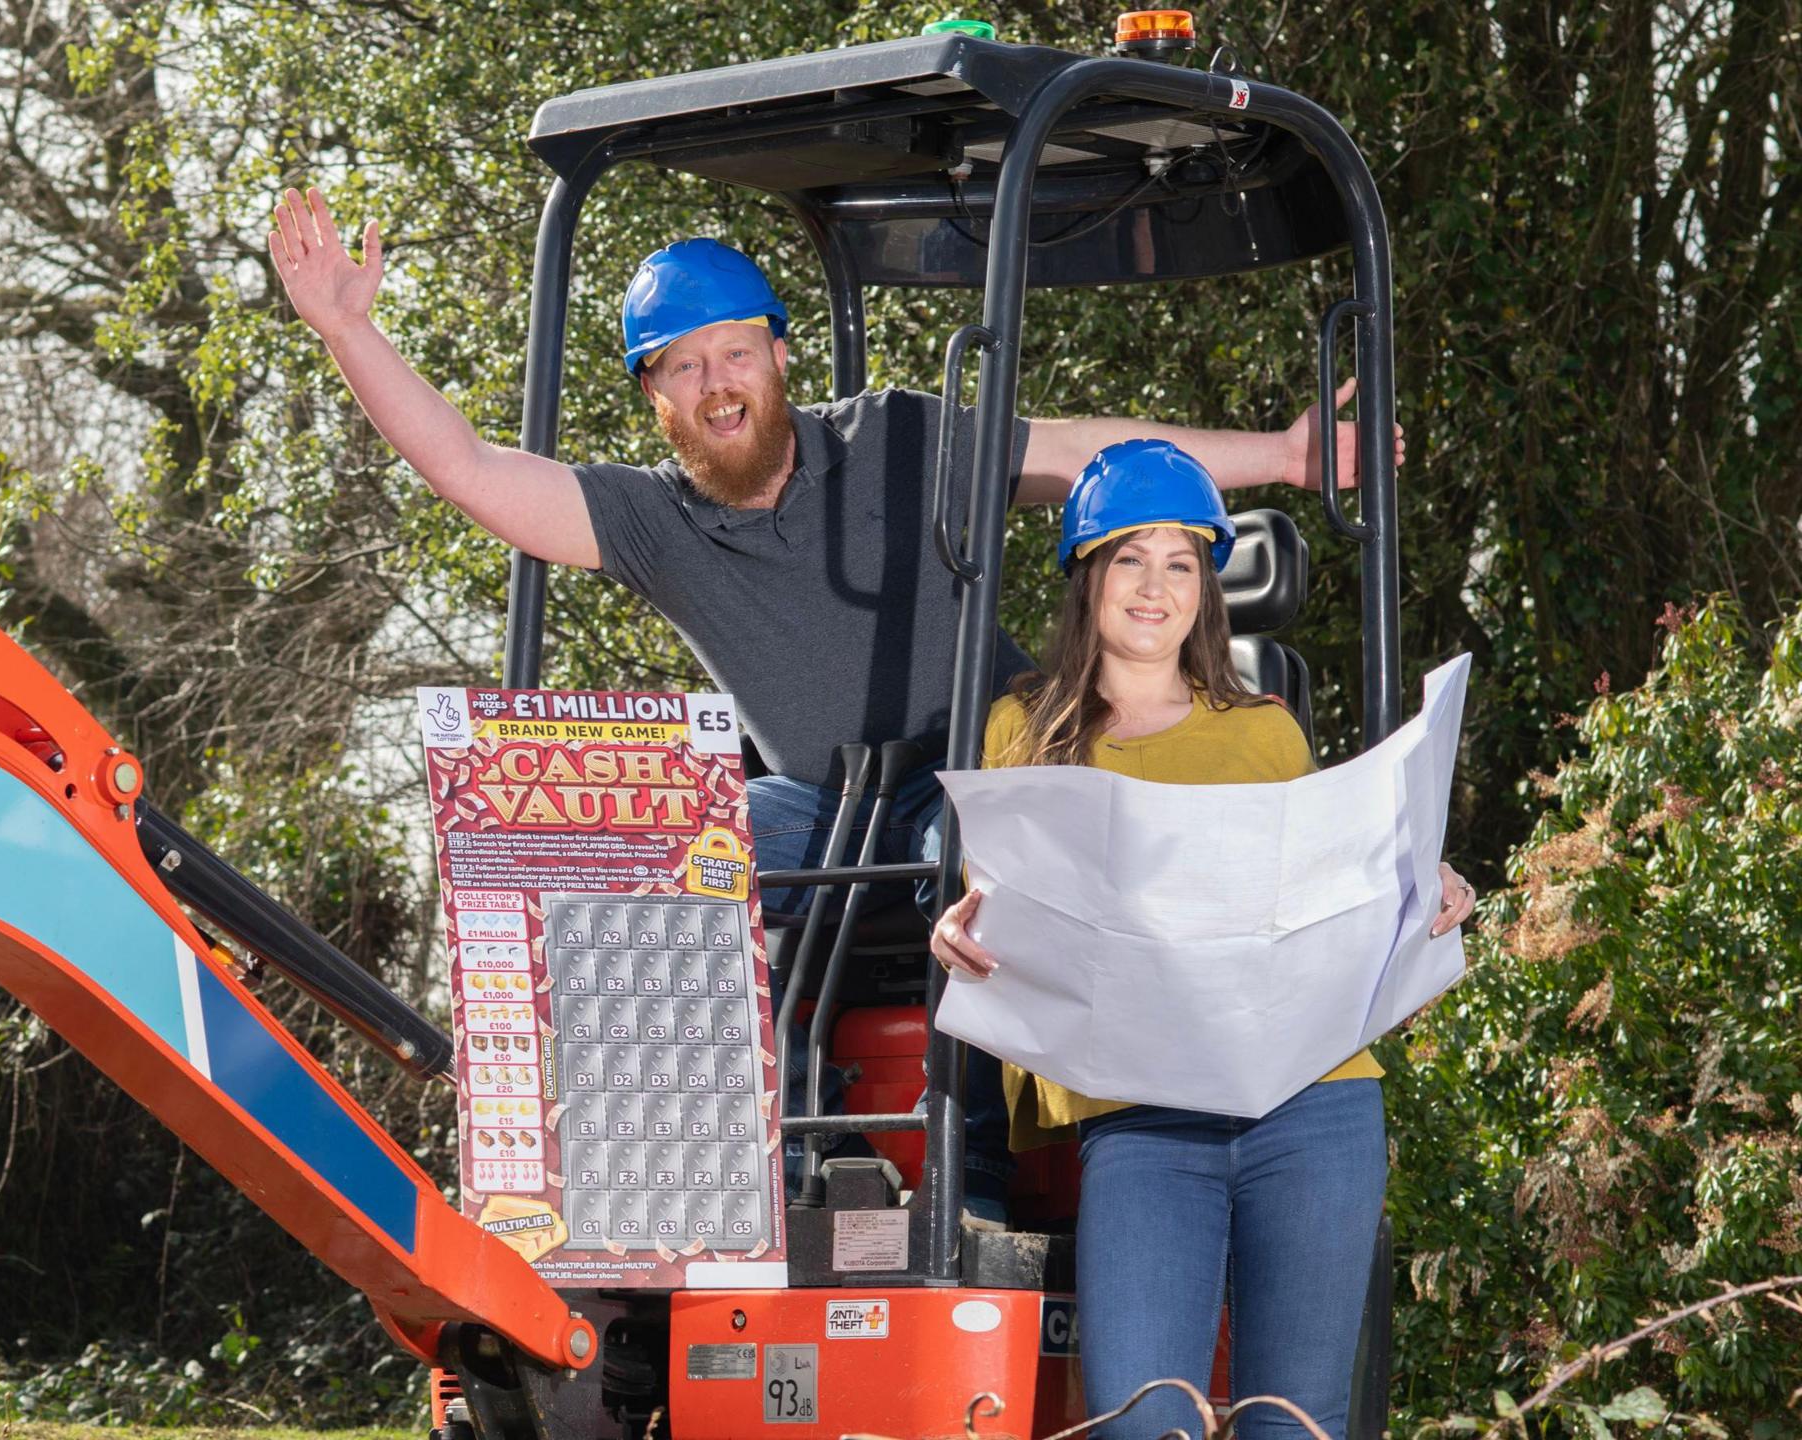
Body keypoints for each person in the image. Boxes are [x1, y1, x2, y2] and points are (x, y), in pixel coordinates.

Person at [268, 185, 1400, 1218]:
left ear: (777, 354)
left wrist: (1291, 458)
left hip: (974, 772)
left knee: (976, 847)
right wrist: (347, 329)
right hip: (819, 803)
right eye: (680, 365)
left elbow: (1081, 453)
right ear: (653, 396)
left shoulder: (896, 437)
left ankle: (971, 1184)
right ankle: (750, 1183)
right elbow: (472, 469)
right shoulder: (657, 522)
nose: (716, 383)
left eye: (733, 351)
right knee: (668, 844)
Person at [927, 440, 1479, 1439]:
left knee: (1291, 1423)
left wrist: (1422, 890)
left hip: (1312, 1108)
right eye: (1128, 558)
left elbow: (1325, 899)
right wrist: (958, 931)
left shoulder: (1263, 734)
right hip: (1142, 1115)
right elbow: (996, 899)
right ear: (1084, 576)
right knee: (1140, 1422)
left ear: (1206, 587)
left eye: (1180, 562)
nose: (1154, 587)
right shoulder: (1021, 726)